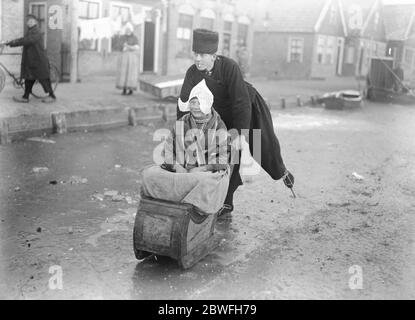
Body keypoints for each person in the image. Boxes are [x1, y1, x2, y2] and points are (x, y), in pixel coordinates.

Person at [178, 29, 294, 216]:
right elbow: (184, 104)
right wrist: (182, 133)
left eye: (202, 55)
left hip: (246, 107)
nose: (197, 59)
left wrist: (240, 134)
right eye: (195, 54)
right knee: (219, 155)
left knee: (262, 145)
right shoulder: (192, 73)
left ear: (214, 56)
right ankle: (226, 202)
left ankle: (282, 172)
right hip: (218, 114)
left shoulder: (229, 68)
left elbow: (240, 103)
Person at [141, 79, 231, 214]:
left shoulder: (219, 126)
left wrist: (203, 168)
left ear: (207, 104)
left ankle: (193, 209)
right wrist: (176, 166)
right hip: (180, 171)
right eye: (193, 102)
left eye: (199, 103)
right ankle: (171, 205)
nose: (195, 107)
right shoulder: (182, 122)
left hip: (205, 173)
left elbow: (223, 159)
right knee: (149, 174)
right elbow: (168, 149)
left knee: (205, 182)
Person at [4, 14, 56, 103]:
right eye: (28, 21)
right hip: (32, 61)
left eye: (31, 21)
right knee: (29, 78)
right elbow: (24, 39)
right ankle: (25, 97)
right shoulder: (31, 31)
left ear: (35, 22)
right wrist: (10, 42)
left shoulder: (36, 31)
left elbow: (27, 40)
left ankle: (52, 96)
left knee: (44, 79)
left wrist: (12, 43)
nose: (29, 23)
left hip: (39, 61)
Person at [116, 23, 140, 95]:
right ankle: (124, 89)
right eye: (126, 29)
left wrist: (128, 46)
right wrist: (123, 47)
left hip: (132, 58)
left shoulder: (134, 38)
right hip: (124, 57)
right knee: (124, 73)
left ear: (131, 30)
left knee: (131, 73)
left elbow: (136, 47)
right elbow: (119, 46)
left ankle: (131, 89)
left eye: (129, 29)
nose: (128, 31)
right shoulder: (122, 38)